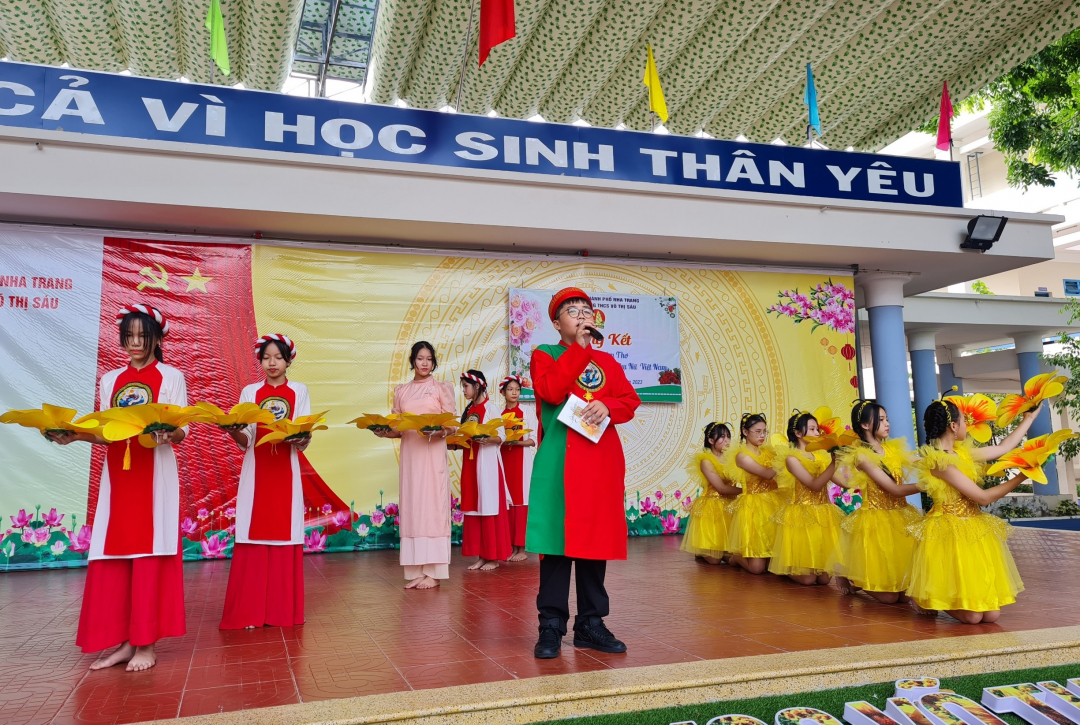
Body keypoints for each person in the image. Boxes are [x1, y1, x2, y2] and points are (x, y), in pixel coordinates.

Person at [49, 304, 187, 672]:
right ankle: (126, 643)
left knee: (148, 552)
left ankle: (147, 645)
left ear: (158, 338)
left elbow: (182, 430)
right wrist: (74, 435)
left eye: (143, 336)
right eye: (130, 336)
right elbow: (107, 432)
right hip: (118, 476)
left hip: (155, 475)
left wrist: (163, 433)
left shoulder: (172, 376)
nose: (136, 343)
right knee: (117, 553)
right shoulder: (110, 380)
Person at [527, 287, 640, 659]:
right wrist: (579, 348)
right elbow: (553, 389)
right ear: (557, 322)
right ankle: (551, 626)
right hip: (559, 463)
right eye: (571, 311)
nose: (580, 315)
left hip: (599, 462)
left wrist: (607, 406)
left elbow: (629, 401)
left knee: (594, 545)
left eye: (585, 310)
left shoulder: (609, 361)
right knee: (556, 548)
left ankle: (591, 624)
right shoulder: (545, 355)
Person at [909, 397, 1039, 623]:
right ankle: (923, 598)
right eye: (964, 420)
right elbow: (983, 497)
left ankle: (947, 601)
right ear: (953, 426)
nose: (967, 425)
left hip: (972, 525)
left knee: (991, 615)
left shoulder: (962, 454)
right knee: (973, 617)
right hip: (948, 528)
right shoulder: (940, 462)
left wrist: (1028, 418)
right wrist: (1022, 476)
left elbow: (1003, 448)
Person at [219, 334, 308, 629]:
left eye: (278, 357)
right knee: (252, 532)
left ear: (288, 361)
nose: (272, 363)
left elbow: (304, 440)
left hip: (286, 472)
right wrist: (232, 430)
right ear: (260, 361)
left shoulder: (299, 391)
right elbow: (246, 441)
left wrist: (302, 436)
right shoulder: (249, 392)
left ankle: (281, 612)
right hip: (256, 473)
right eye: (267, 357)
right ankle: (249, 612)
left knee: (285, 532)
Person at [377, 341, 456, 590]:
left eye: (429, 359)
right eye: (420, 358)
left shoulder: (441, 388)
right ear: (412, 361)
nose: (424, 363)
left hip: (432, 457)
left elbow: (452, 425)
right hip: (411, 458)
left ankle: (434, 571)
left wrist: (438, 428)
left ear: (434, 362)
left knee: (432, 508)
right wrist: (383, 432)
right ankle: (417, 570)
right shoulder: (401, 391)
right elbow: (398, 429)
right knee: (413, 508)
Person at [829, 400, 921, 603]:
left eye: (887, 419)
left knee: (903, 597)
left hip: (900, 514)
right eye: (881, 420)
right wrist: (928, 485)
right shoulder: (862, 455)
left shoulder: (893, 449)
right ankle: (849, 574)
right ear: (864, 424)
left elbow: (921, 462)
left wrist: (945, 463)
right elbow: (894, 490)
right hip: (875, 517)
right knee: (889, 598)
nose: (888, 423)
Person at [769, 411, 841, 585]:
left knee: (824, 579)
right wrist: (834, 463)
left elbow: (843, 482)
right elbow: (815, 485)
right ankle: (784, 570)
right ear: (798, 433)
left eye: (817, 429)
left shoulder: (820, 456)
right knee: (808, 580)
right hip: (802, 513)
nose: (818, 433)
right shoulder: (792, 459)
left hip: (823, 511)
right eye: (812, 429)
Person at [458, 370, 512, 570]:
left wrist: (487, 439)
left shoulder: (491, 408)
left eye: (466, 386)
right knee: (475, 506)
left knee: (488, 505)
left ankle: (493, 557)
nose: (463, 390)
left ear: (477, 386)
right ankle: (482, 555)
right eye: (463, 386)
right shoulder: (470, 409)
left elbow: (502, 436)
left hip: (487, 462)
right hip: (471, 463)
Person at [722, 413, 782, 575]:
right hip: (753, 507)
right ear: (745, 432)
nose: (762, 435)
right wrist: (787, 459)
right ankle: (736, 557)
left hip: (773, 502)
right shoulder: (742, 456)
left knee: (773, 564)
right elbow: (767, 474)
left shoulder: (769, 453)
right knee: (757, 569)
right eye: (758, 431)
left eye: (764, 431)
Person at [680, 422, 739, 564]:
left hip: (731, 505)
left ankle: (721, 552)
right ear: (711, 441)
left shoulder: (734, 458)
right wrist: (747, 492)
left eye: (728, 436)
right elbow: (722, 489)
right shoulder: (706, 461)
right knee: (714, 561)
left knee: (730, 554)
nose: (726, 440)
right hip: (712, 507)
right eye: (722, 437)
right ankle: (701, 551)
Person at [500, 375, 537, 563]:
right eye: (510, 389)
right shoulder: (498, 414)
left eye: (517, 389)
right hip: (504, 460)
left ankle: (522, 548)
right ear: (503, 392)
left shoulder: (527, 413)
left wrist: (516, 441)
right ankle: (511, 546)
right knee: (507, 501)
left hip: (521, 461)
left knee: (521, 501)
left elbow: (533, 440)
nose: (514, 393)